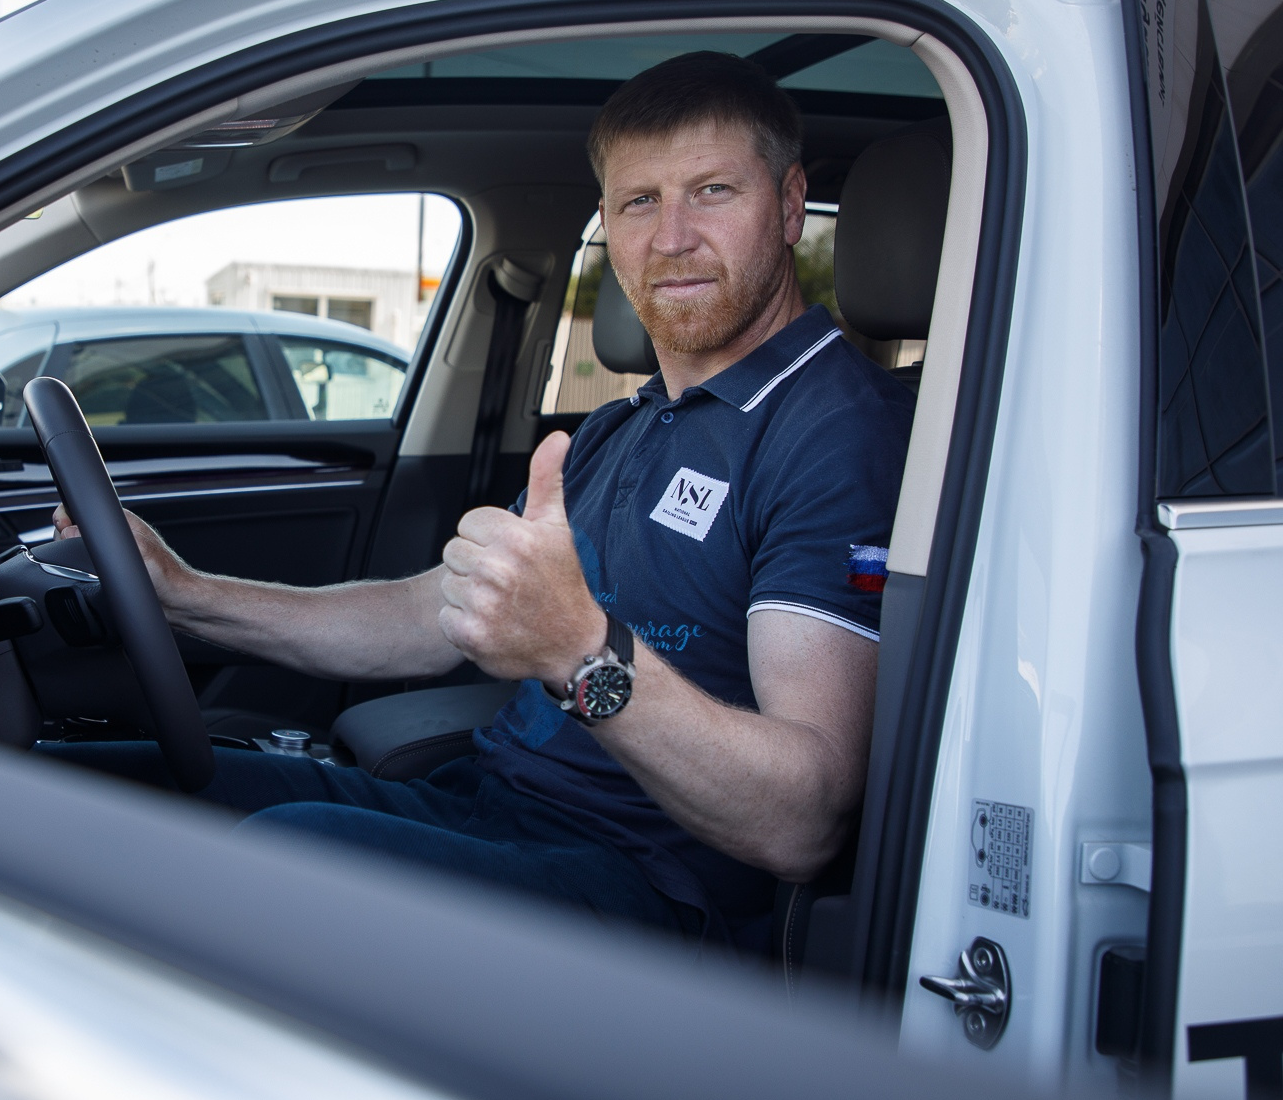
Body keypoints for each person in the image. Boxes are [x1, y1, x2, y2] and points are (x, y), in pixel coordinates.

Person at [44, 51, 915, 951]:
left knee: (277, 858)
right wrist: (188, 594)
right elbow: (435, 612)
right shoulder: (623, 428)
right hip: (491, 805)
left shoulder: (838, 433)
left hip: (659, 890)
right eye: (638, 202)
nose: (672, 237)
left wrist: (581, 651)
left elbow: (801, 824)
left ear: (787, 205)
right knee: (74, 789)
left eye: (713, 191)